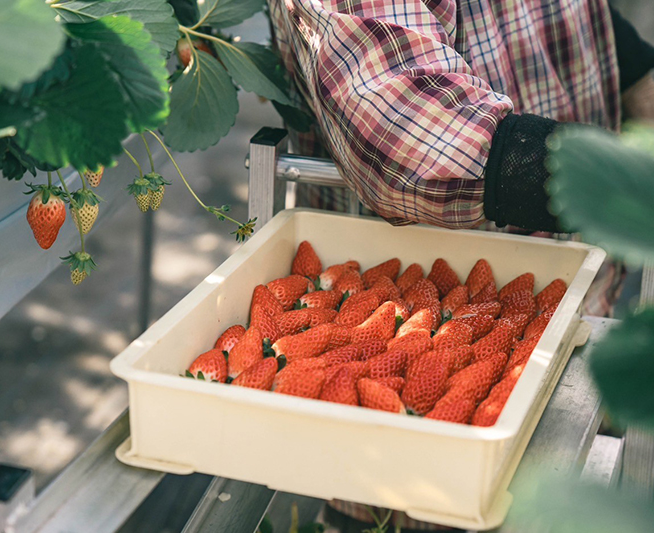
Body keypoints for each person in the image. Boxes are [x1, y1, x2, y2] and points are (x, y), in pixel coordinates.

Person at [266, 0, 654, 531]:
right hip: (410, 353)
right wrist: (618, 183)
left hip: (568, 314)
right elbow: (405, 128)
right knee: (427, 505)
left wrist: (634, 68)